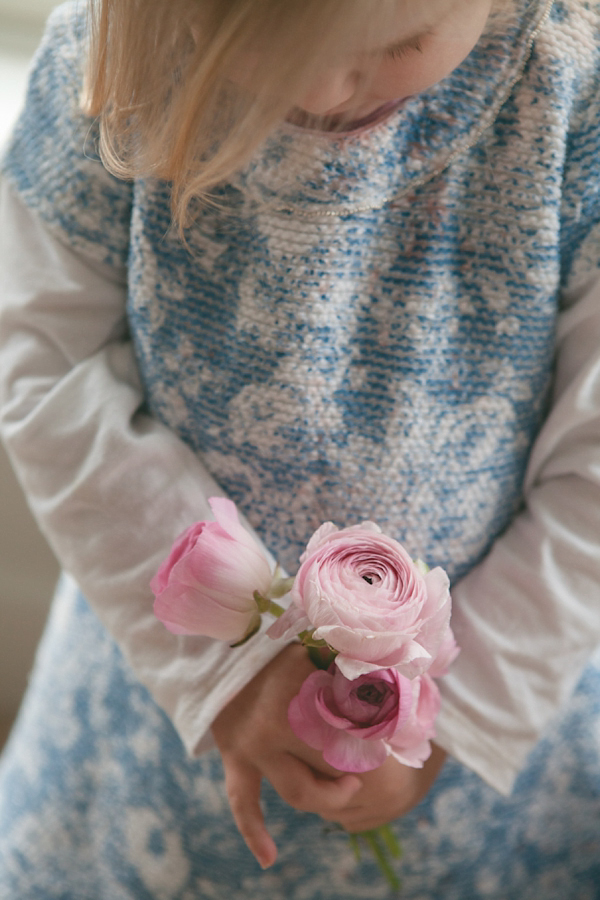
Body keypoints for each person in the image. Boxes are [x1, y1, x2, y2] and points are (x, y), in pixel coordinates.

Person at [0, 0, 599, 896]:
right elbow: (44, 363)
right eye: (238, 43)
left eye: (398, 45)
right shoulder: (106, 52)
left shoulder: (573, 91)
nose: (320, 90)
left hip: (490, 738)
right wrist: (233, 671)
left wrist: (450, 721)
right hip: (150, 729)